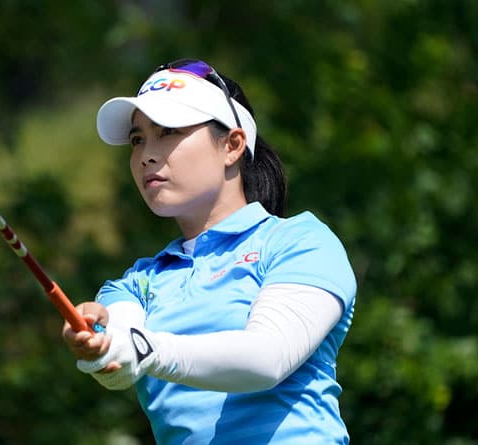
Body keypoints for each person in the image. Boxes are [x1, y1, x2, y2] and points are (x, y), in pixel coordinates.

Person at [63, 59, 357, 444]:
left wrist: (142, 349)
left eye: (168, 132)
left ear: (232, 146)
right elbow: (121, 365)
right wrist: (100, 345)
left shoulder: (300, 242)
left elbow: (266, 358)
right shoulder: (134, 285)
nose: (147, 155)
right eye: (138, 140)